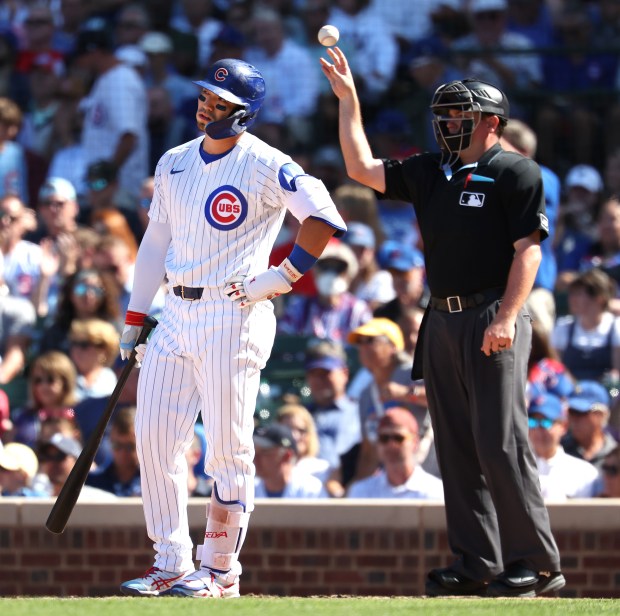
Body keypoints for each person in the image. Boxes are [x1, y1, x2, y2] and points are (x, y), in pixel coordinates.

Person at [321, 48, 564, 597]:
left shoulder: (516, 170)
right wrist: (348, 101)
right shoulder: (430, 170)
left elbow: (528, 252)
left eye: (460, 117)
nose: (447, 125)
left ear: (491, 123)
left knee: (500, 440)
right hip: (441, 316)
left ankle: (537, 561)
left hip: (492, 312)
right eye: (444, 116)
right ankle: (476, 563)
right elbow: (360, 168)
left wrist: (506, 316)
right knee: (453, 444)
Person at [117, 58, 345, 598]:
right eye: (205, 96)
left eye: (220, 102)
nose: (207, 106)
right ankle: (169, 560)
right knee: (153, 441)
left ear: (244, 113)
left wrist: (283, 276)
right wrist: (134, 315)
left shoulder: (266, 162)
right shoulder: (174, 160)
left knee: (227, 447)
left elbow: (323, 216)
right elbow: (155, 242)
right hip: (175, 309)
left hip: (234, 311)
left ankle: (220, 571)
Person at [346, 407, 443, 500]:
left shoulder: (436, 491)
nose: (391, 444)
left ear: (415, 442)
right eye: (384, 438)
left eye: (398, 438)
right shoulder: (361, 492)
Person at [527, 393, 599, 500]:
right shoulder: (515, 468)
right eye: (532, 422)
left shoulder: (584, 473)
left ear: (563, 426)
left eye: (546, 422)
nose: (538, 430)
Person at [253, 422, 327, 499]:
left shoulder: (311, 488)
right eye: (255, 451)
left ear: (286, 455)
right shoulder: (248, 488)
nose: (256, 458)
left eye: (265, 452)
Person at [561, 380, 619, 473]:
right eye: (571, 412)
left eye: (580, 412)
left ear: (600, 415)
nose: (574, 419)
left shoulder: (615, 455)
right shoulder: (559, 449)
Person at [85, 405, 141, 497]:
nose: (123, 453)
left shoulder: (154, 482)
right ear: (110, 441)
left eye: (130, 446)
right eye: (117, 445)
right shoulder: (92, 481)